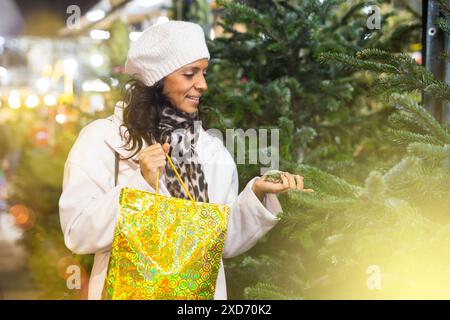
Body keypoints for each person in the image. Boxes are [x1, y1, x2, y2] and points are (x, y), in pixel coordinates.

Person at [59, 20, 312, 300]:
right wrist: (139, 186)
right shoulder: (102, 140)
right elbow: (77, 234)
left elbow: (221, 241)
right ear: (158, 79)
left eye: (204, 73)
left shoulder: (210, 150)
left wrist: (256, 195)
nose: (202, 85)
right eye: (190, 74)